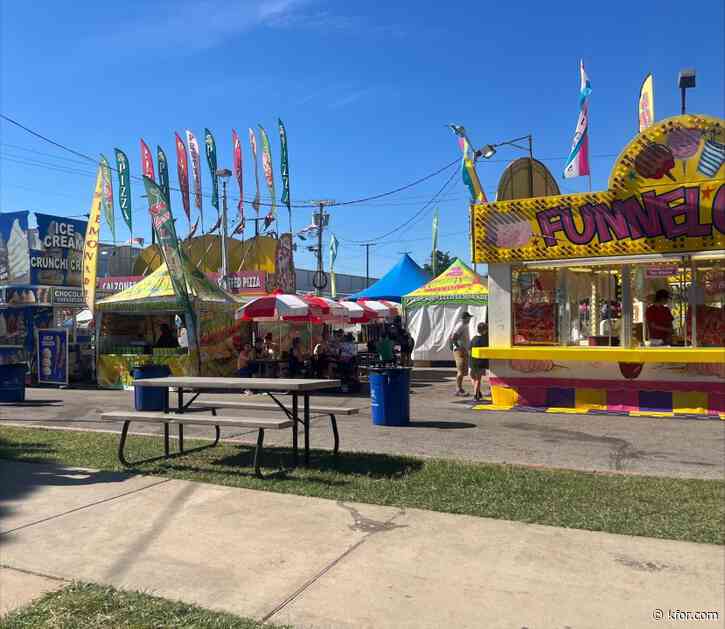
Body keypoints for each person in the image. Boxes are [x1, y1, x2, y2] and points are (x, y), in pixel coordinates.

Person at [450, 312, 472, 396]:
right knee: (460, 371)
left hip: (462, 350)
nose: (470, 319)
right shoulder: (460, 326)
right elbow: (453, 337)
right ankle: (458, 389)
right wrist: (459, 347)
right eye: (469, 318)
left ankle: (460, 388)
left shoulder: (464, 325)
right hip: (459, 351)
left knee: (462, 371)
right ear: (465, 318)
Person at [469, 322, 489, 401]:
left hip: (472, 361)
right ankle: (476, 395)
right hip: (480, 362)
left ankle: (477, 392)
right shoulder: (485, 339)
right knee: (478, 379)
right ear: (484, 330)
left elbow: (470, 350)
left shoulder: (474, 338)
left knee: (473, 377)